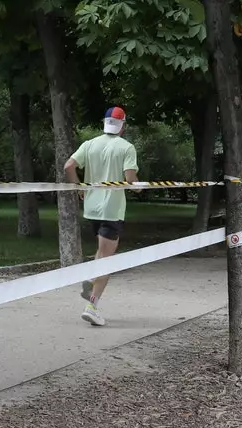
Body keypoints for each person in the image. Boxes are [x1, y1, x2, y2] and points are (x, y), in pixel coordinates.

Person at [65, 106, 138, 326]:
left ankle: (90, 280)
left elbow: (69, 165)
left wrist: (78, 187)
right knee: (106, 261)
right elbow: (131, 180)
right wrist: (138, 187)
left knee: (101, 252)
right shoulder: (126, 147)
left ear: (104, 123)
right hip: (112, 210)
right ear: (122, 125)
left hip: (92, 209)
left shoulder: (90, 144)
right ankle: (92, 306)